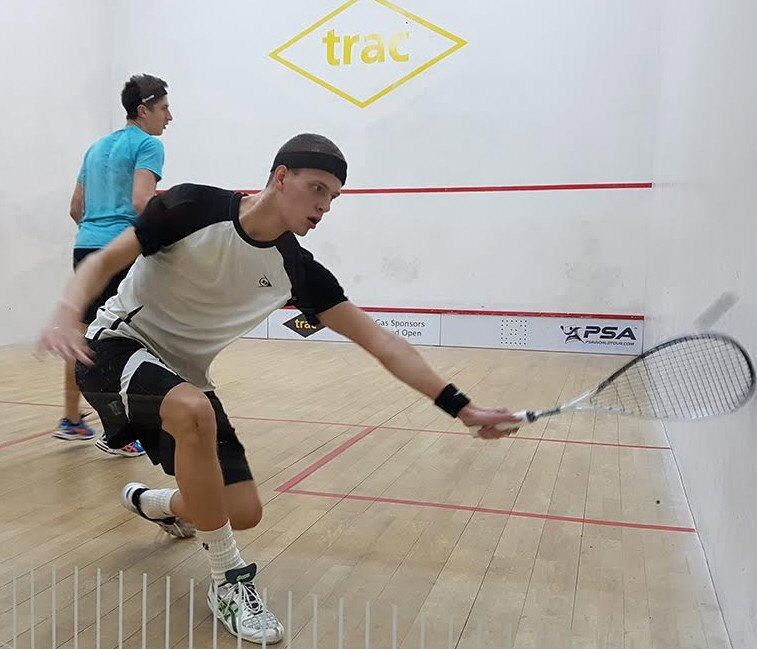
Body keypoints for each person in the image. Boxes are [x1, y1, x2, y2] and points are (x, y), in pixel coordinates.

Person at [38, 133, 520, 644]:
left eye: (333, 197)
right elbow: (104, 260)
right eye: (317, 189)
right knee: (194, 411)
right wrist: (68, 313)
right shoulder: (191, 206)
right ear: (281, 176)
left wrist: (463, 409)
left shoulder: (297, 270)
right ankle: (229, 581)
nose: (324, 206)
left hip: (185, 379)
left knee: (242, 511)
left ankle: (154, 502)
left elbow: (382, 342)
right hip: (115, 348)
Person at [52, 73, 172, 458]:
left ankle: (72, 419)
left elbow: (76, 208)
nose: (170, 116)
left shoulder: (96, 148)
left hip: (86, 246)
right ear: (143, 110)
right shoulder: (148, 145)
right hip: (121, 249)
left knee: (83, 334)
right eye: (164, 108)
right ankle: (117, 432)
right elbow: (142, 202)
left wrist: (95, 235)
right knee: (126, 337)